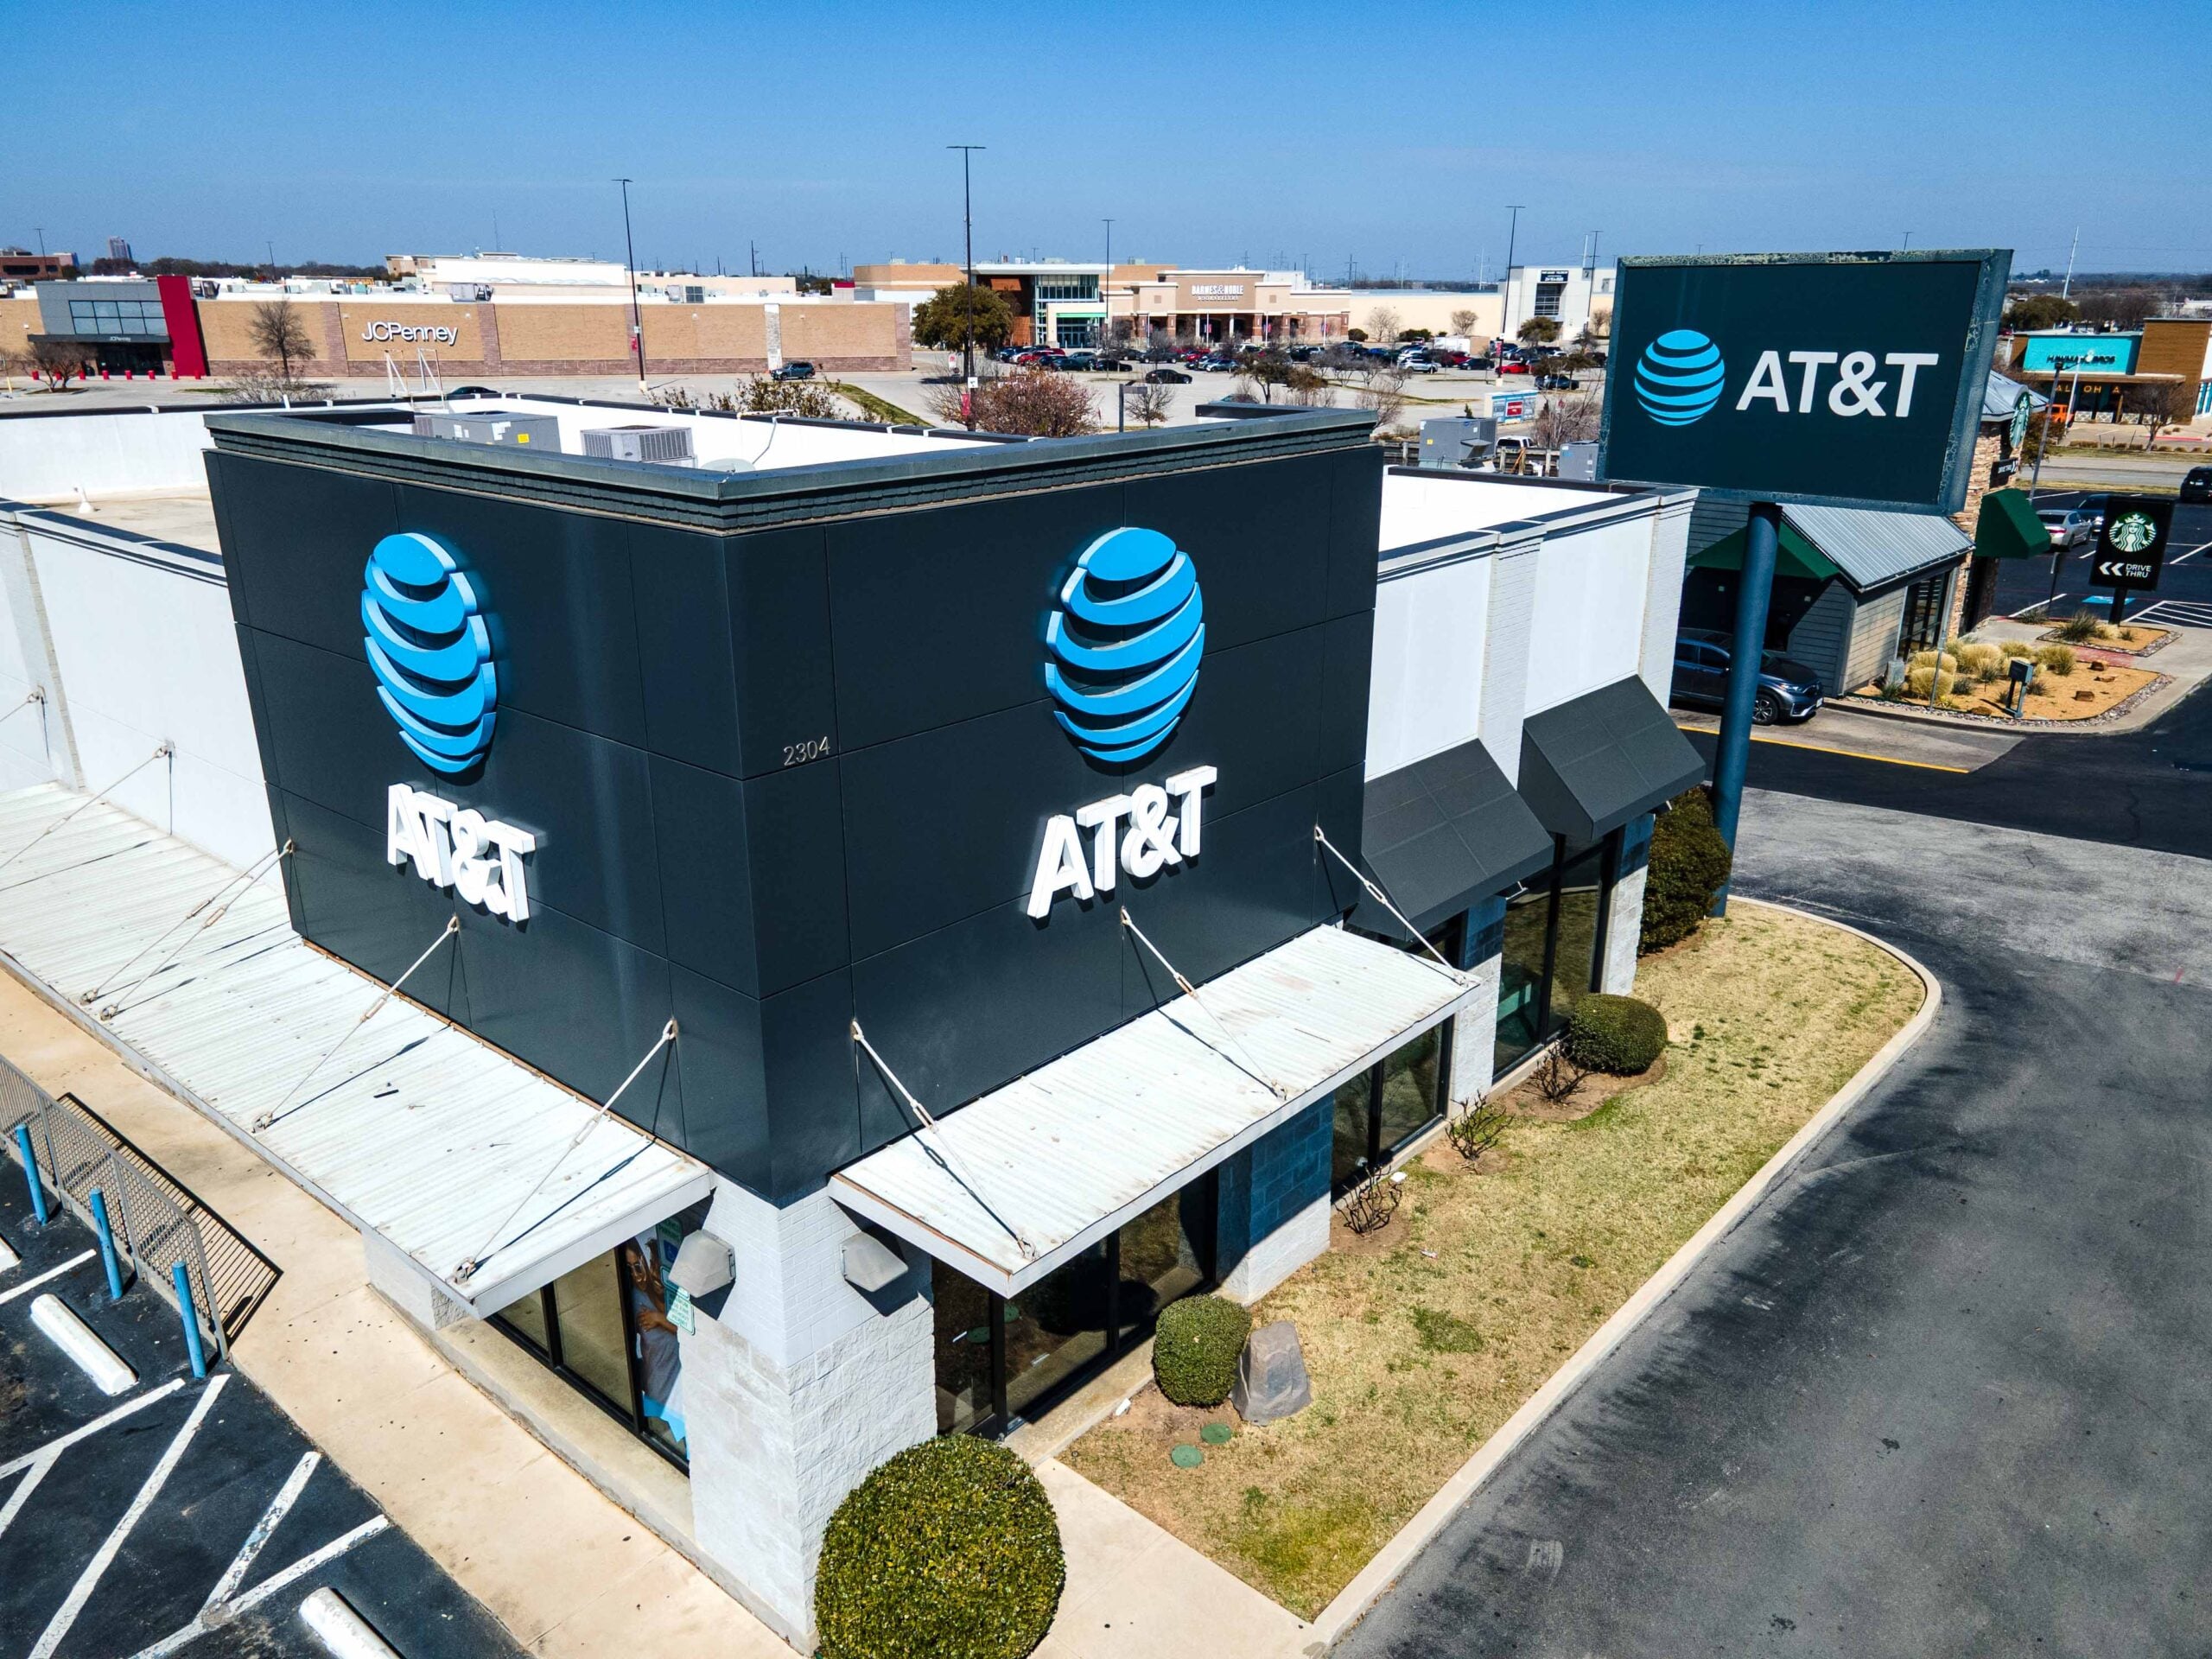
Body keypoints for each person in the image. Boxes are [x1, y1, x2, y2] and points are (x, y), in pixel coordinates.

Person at [622, 1237, 685, 1450]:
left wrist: (660, 1319)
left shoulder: (666, 1294)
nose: (636, 1275)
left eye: (639, 1266)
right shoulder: (636, 1299)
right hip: (659, 1391)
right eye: (629, 1268)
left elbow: (688, 1329)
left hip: (680, 1387)